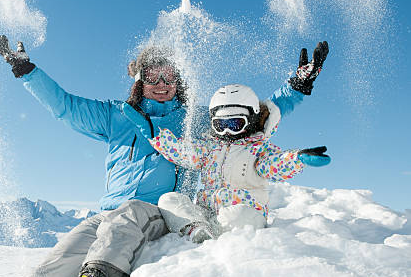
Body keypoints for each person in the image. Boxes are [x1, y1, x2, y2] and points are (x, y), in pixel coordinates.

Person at [0, 34, 327, 277]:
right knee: (49, 271)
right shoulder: (116, 115)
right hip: (106, 216)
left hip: (161, 212)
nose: (161, 83)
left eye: (169, 75)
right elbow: (65, 106)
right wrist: (26, 70)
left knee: (128, 216)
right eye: (152, 75)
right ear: (139, 79)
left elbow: (250, 115)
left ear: (179, 80)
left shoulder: (195, 119)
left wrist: (296, 87)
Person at [123, 82, 331, 242]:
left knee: (238, 215)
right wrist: (154, 135)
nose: (227, 131)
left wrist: (297, 159)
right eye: (220, 125)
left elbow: (275, 164)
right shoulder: (208, 146)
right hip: (207, 213)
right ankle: (196, 229)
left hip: (244, 213)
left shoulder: (258, 149)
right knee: (169, 199)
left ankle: (221, 238)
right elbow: (182, 153)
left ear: (251, 119)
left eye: (235, 124)